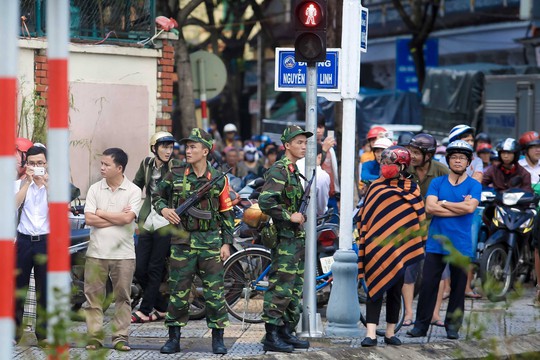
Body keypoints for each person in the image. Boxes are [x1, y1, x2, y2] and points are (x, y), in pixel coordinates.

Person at [152, 128, 234, 355]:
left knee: (214, 293)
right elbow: (156, 196)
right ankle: (173, 338)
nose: (187, 150)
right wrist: (165, 209)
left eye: (193, 147)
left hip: (210, 243)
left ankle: (218, 338)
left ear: (205, 151)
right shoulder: (176, 173)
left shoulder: (218, 179)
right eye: (187, 147)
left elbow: (227, 213)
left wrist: (226, 243)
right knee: (178, 290)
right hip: (182, 241)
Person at [408, 140, 481, 340]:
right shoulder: (437, 182)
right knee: (428, 285)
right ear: (448, 159)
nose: (458, 161)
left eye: (462, 158)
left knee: (458, 288)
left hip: (461, 244)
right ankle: (420, 325)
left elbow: (470, 209)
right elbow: (430, 207)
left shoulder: (474, 185)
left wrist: (445, 203)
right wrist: (458, 207)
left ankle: (453, 327)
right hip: (436, 241)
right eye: (454, 157)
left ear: (469, 162)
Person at [358, 146, 427, 347]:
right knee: (374, 289)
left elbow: (417, 219)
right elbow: (367, 216)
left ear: (402, 166)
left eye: (390, 164)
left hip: (402, 247)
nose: (386, 167)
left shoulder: (412, 189)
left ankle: (390, 332)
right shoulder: (375, 187)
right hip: (376, 246)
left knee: (395, 290)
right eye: (384, 163)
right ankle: (370, 333)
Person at [258, 125, 313, 353]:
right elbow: (266, 201)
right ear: (287, 145)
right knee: (281, 287)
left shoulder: (293, 171)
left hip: (295, 238)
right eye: (299, 142)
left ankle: (285, 332)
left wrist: (299, 216)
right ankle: (271, 335)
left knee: (293, 288)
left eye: (305, 143)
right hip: (284, 239)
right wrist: (290, 216)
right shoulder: (279, 170)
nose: (303, 146)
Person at [84, 148, 142, 351]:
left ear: (119, 168)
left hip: (123, 254)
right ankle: (94, 338)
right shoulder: (94, 189)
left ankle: (120, 337)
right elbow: (89, 219)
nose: (102, 168)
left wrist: (101, 213)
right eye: (101, 164)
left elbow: (128, 219)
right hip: (96, 252)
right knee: (93, 299)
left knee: (122, 298)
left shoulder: (134, 190)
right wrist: (115, 216)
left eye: (106, 165)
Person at [402, 133, 450, 327]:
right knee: (408, 272)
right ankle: (408, 313)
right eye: (410, 152)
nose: (411, 156)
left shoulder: (441, 171)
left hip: (436, 227)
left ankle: (435, 314)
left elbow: (451, 197)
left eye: (416, 152)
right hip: (410, 228)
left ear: (428, 155)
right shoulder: (404, 168)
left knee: (437, 273)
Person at [131, 132, 178, 323]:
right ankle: (162, 306)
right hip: (147, 220)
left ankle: (145, 310)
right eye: (164, 147)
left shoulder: (175, 168)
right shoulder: (146, 164)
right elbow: (136, 187)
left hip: (166, 223)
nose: (168, 151)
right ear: (154, 149)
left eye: (170, 147)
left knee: (155, 267)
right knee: (140, 268)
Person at [14, 146, 49, 348]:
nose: (36, 167)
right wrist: (27, 184)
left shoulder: (52, 185)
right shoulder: (18, 184)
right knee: (19, 288)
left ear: (46, 164)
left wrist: (46, 183)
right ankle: (15, 332)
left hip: (45, 241)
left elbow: (62, 206)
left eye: (40, 163)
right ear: (26, 165)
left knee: (44, 289)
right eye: (32, 163)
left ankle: (43, 334)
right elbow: (13, 205)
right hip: (24, 241)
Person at [517, 131, 540, 306]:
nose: (538, 150)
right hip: (521, 208)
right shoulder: (519, 166)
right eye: (534, 147)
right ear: (526, 150)